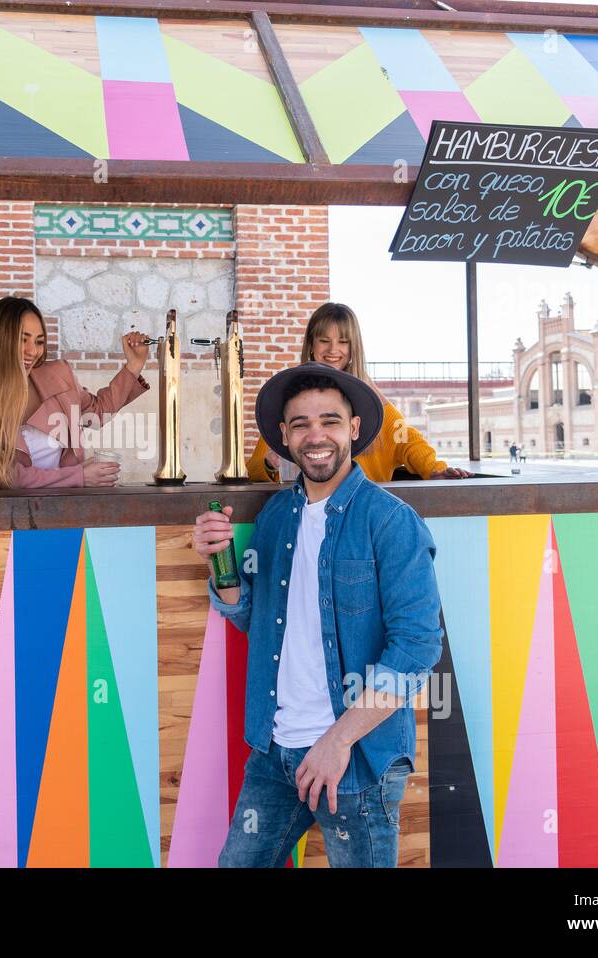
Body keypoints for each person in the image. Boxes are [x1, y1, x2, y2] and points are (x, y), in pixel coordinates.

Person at [193, 362, 443, 867]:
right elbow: (256, 620)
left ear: (353, 429)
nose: (316, 435)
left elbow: (417, 649)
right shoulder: (275, 519)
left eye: (329, 421)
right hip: (275, 751)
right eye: (301, 424)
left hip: (356, 758)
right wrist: (219, 567)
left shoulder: (391, 521)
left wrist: (337, 740)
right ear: (284, 437)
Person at [246, 303, 471, 483]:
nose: (333, 350)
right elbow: (256, 468)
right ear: (311, 345)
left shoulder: (372, 400)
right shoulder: (293, 402)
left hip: (366, 516)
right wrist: (269, 463)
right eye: (324, 341)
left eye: (343, 342)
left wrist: (434, 470)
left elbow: (406, 440)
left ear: (354, 347)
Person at [0, 296, 151, 489]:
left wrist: (134, 365)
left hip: (64, 510)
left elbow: (98, 412)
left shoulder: (58, 375)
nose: (33, 351)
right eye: (23, 340)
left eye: (39, 341)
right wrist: (79, 476)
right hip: (9, 517)